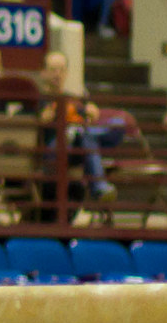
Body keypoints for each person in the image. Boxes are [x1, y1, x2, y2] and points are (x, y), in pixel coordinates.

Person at [38, 50, 117, 217]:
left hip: (77, 149)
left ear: (66, 73)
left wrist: (92, 111)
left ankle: (87, 136)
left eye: (61, 70)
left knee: (113, 125)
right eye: (53, 69)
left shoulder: (73, 99)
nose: (57, 74)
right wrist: (42, 119)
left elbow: (90, 113)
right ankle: (99, 187)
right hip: (52, 151)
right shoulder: (39, 100)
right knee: (82, 134)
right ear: (43, 72)